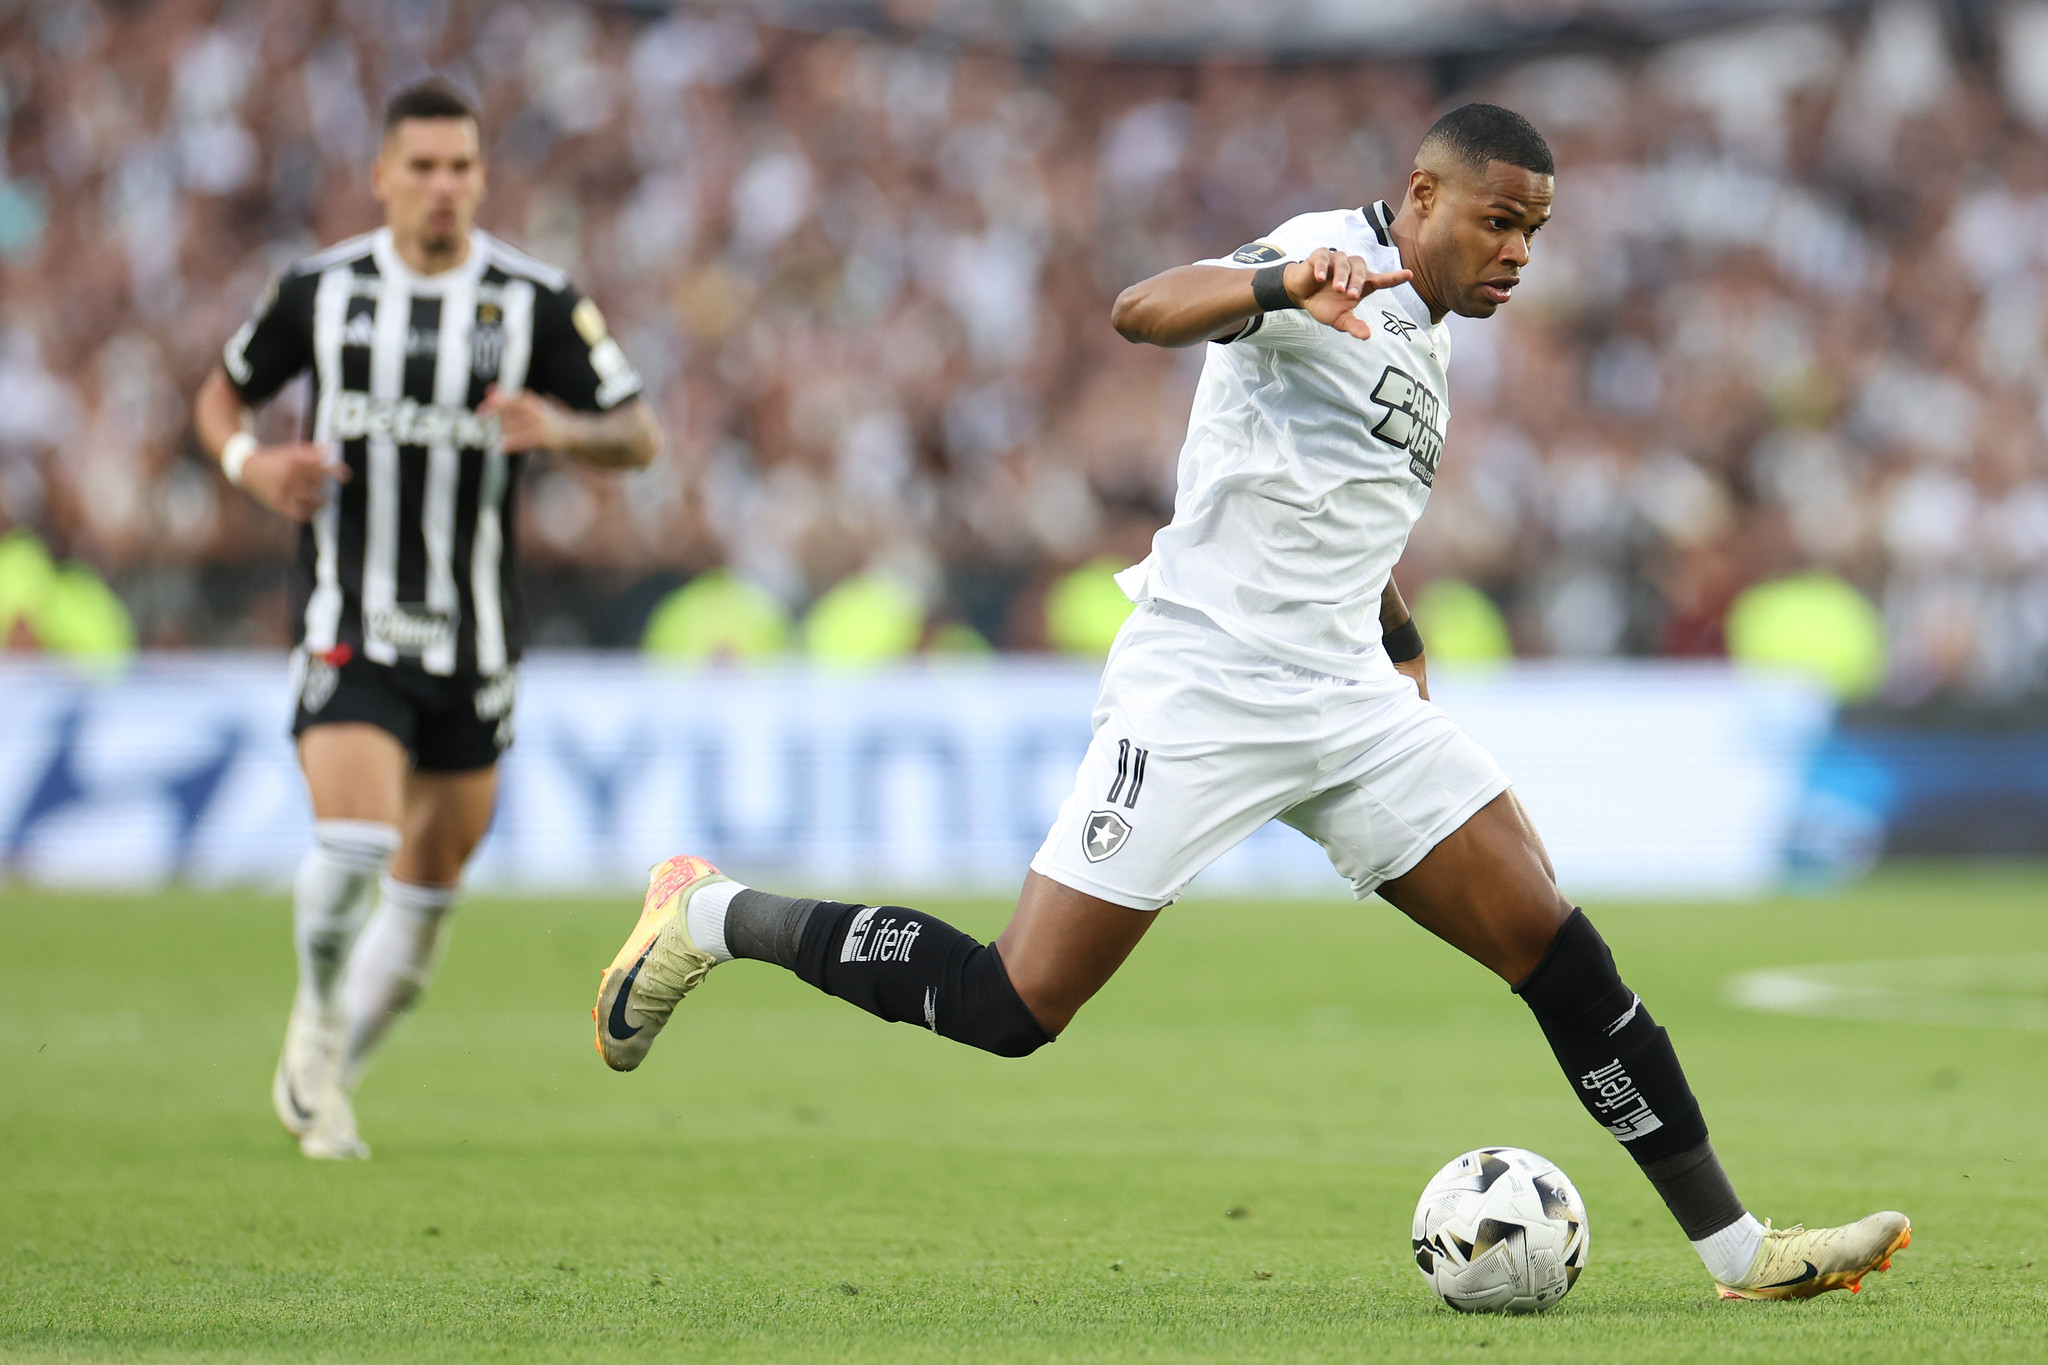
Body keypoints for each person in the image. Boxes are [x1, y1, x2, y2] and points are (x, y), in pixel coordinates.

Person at [589, 104, 1906, 1300]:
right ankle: (710, 915)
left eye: (1535, 233)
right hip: (1205, 685)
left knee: (1556, 949)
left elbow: (1336, 514)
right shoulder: (1326, 258)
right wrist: (1282, 279)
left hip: (1343, 695)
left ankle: (1742, 1253)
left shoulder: (1431, 338)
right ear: (1424, 197)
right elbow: (1143, 308)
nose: (1517, 254)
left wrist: (1395, 652)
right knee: (1010, 1006)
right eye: (1499, 223)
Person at [194, 80, 660, 1159]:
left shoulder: (535, 301)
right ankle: (314, 1016)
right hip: (348, 619)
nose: (443, 187)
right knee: (354, 838)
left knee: (426, 897)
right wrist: (249, 464)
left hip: (478, 642)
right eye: (423, 168)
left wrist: (560, 428)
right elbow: (222, 393)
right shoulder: (320, 292)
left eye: (461, 168)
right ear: (382, 177)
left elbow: (638, 435)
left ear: (482, 178)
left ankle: (329, 1079)